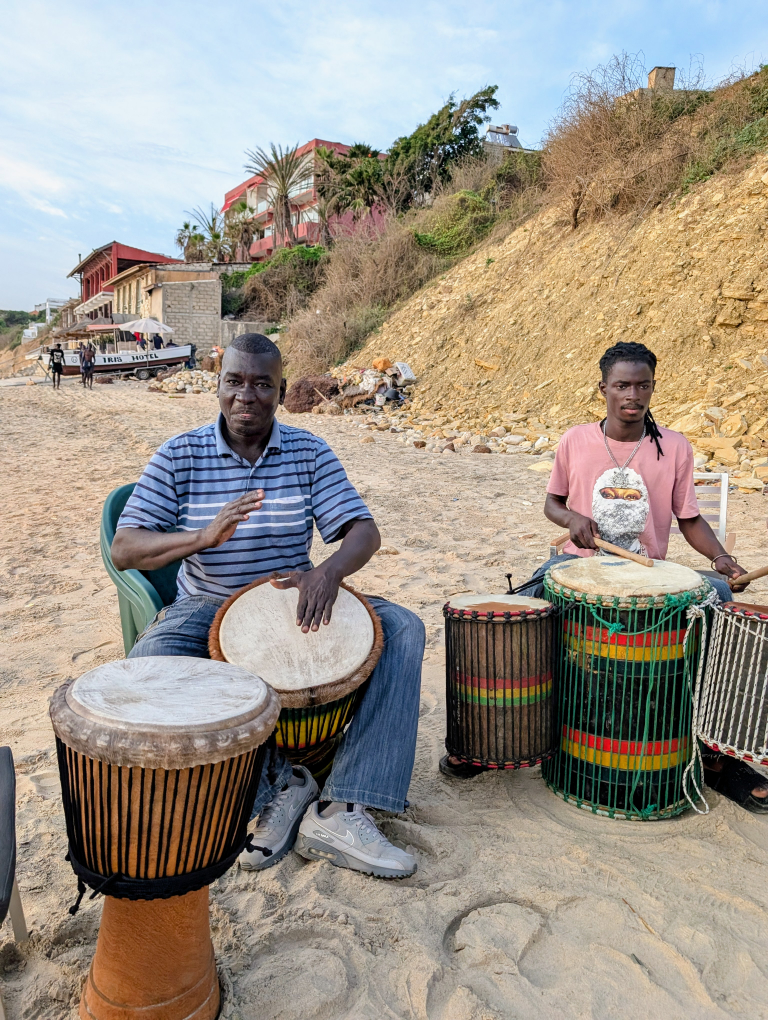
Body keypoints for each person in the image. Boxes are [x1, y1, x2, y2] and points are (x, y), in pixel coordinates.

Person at [111, 333, 425, 878]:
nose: (246, 396)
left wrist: (327, 572)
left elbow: (363, 532)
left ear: (280, 392)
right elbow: (126, 546)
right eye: (234, 381)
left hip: (291, 602)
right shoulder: (180, 454)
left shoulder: (308, 452)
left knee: (403, 628)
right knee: (148, 665)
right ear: (218, 384)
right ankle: (284, 784)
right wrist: (202, 538)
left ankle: (344, 805)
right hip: (207, 604)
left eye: (262, 384)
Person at [441, 341, 768, 809]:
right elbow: (552, 502)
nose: (632, 394)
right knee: (517, 610)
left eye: (642, 385)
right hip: (578, 564)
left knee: (725, 606)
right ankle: (493, 742)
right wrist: (570, 519)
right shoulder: (576, 440)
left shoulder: (673, 446)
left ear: (653, 388)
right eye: (622, 385)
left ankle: (715, 753)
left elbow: (689, 518)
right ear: (603, 390)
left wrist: (721, 560)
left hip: (649, 574)